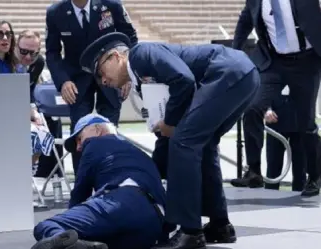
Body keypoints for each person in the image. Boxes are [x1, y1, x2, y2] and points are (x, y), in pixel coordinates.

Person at [79, 32, 260, 249]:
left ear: (116, 57)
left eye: (101, 72)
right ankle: (220, 224)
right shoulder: (140, 78)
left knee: (184, 143)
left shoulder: (141, 54)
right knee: (203, 144)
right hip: (242, 75)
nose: (104, 81)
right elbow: (168, 123)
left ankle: (191, 231)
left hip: (227, 72)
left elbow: (183, 80)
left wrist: (171, 123)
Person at [32, 113, 166, 249]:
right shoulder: (141, 155)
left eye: (79, 138)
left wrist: (73, 225)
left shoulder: (95, 143)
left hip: (121, 202)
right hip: (154, 221)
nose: (78, 147)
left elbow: (79, 194)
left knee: (47, 227)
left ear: (97, 129)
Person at [230, 0, 321, 196]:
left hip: (306, 62)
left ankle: (314, 176)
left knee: (306, 124)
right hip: (273, 61)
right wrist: (234, 52)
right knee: (252, 108)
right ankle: (253, 170)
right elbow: (245, 22)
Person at [45, 0, 138, 173]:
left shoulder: (111, 5)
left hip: (113, 75)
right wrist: (63, 81)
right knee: (80, 131)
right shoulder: (55, 12)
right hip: (76, 80)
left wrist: (127, 75)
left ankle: (111, 177)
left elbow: (130, 38)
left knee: (110, 129)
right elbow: (52, 52)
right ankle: (83, 184)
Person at [15, 30, 63, 178]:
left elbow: (30, 89)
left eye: (33, 53)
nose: (28, 57)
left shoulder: (39, 62)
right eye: (23, 52)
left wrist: (33, 110)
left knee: (50, 120)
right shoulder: (6, 62)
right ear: (15, 47)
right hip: (7, 108)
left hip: (24, 103)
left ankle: (48, 170)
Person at [264, 88, 306, 191]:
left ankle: (299, 197)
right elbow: (265, 88)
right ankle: (269, 199)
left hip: (300, 118)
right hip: (275, 118)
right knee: (273, 166)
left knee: (300, 167)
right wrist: (266, 109)